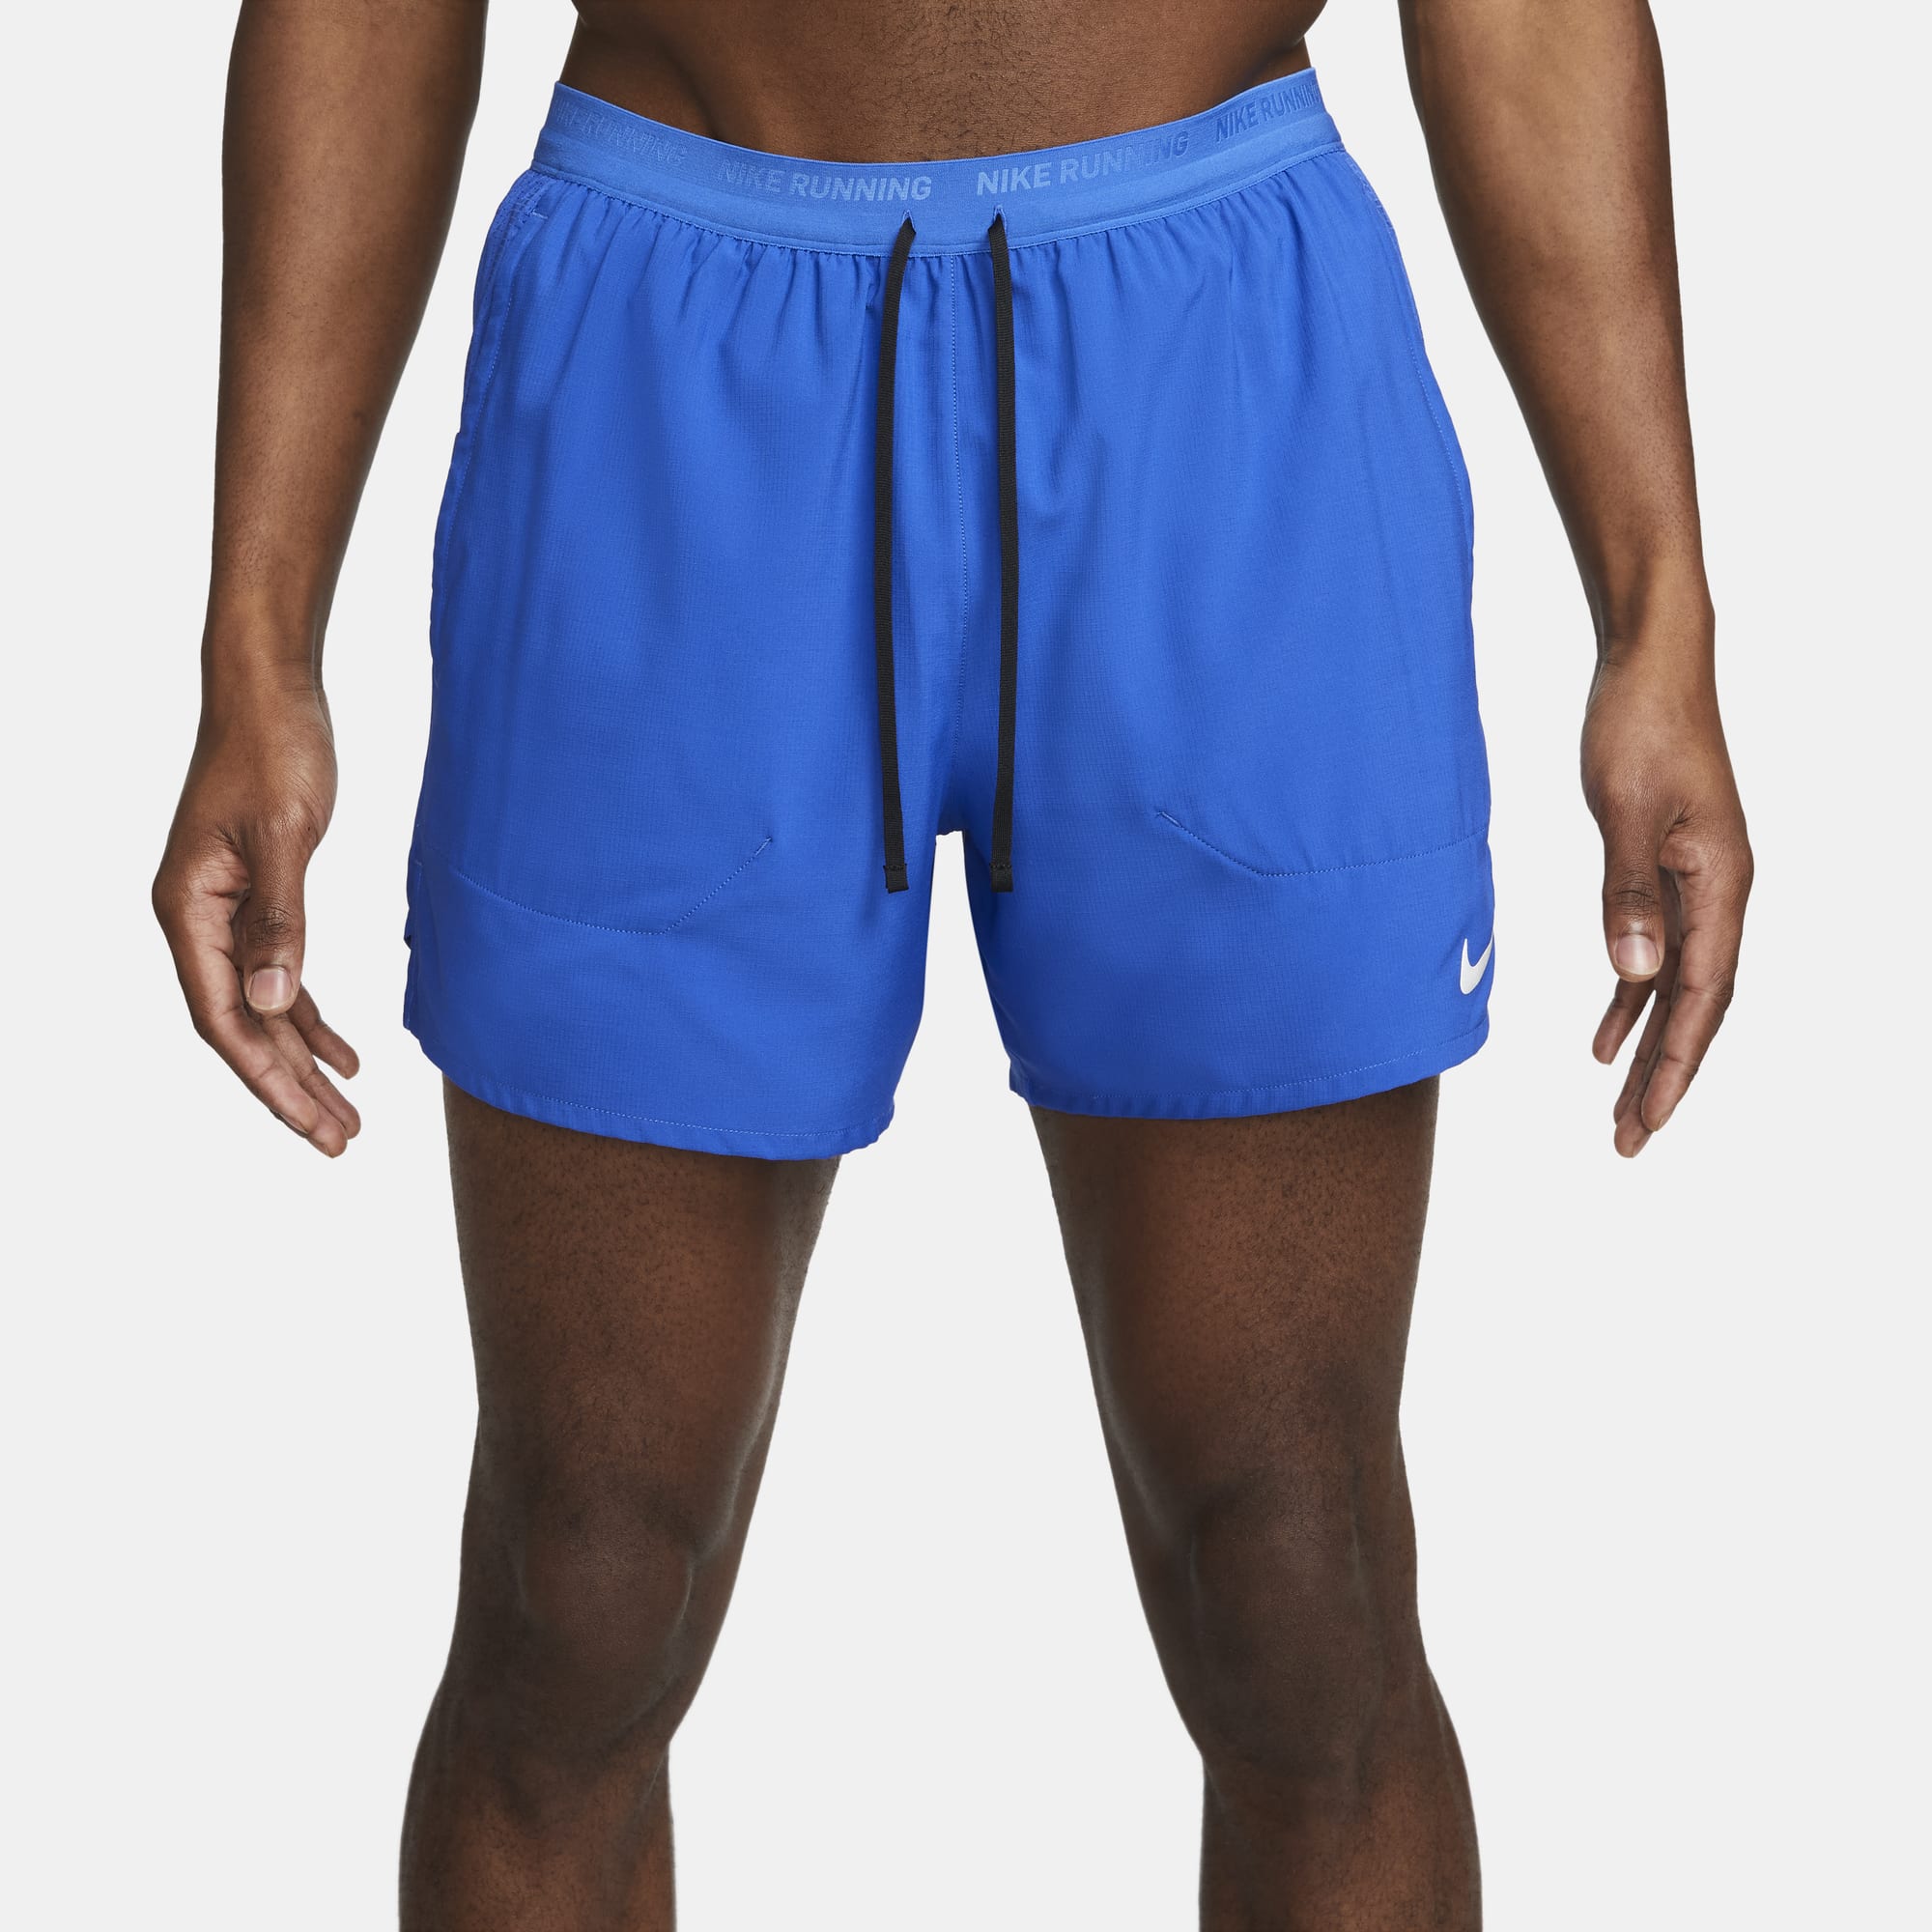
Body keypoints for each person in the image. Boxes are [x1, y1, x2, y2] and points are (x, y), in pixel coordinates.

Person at [154, 0, 1751, 1923]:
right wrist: (258, 637)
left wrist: (1655, 610)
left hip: (1215, 365)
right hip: (675, 357)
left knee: (1295, 1576)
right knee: (579, 1578)